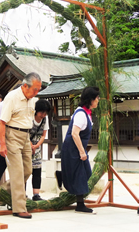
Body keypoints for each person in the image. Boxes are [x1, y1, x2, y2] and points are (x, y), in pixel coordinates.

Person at [0, 72, 42, 219]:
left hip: (25, 136)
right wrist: (2, 144)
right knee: (17, 172)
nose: (37, 92)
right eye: (35, 89)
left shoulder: (32, 99)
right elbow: (2, 122)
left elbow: (27, 120)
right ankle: (19, 208)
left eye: (39, 89)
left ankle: (1, 192)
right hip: (12, 135)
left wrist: (28, 139)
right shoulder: (12, 97)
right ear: (25, 86)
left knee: (27, 170)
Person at [56, 86, 100, 214]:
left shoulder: (86, 113)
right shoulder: (81, 114)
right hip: (72, 147)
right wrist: (82, 151)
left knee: (86, 172)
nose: (98, 100)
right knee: (80, 173)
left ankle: (62, 175)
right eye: (97, 98)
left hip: (77, 146)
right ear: (90, 99)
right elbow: (75, 134)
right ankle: (80, 204)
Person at [29, 99, 51, 201]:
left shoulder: (45, 120)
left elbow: (43, 135)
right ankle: (22, 193)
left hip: (37, 148)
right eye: (42, 112)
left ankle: (36, 194)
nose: (43, 115)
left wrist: (36, 145)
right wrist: (30, 145)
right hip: (26, 145)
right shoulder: (29, 118)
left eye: (45, 113)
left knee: (37, 170)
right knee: (24, 171)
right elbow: (24, 132)